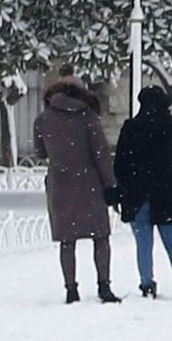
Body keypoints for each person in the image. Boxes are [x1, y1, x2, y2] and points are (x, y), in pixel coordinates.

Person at [31, 74, 120, 305]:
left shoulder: (43, 119)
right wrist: (110, 185)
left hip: (60, 184)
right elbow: (101, 154)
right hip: (90, 183)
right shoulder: (88, 117)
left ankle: (71, 289)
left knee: (67, 240)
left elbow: (40, 152)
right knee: (100, 237)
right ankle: (104, 286)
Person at [113, 84, 172, 301]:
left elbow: (120, 164)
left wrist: (124, 188)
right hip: (166, 195)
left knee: (143, 242)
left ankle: (147, 283)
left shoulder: (130, 128)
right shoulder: (171, 128)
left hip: (137, 195)